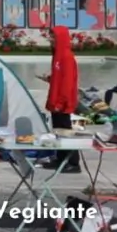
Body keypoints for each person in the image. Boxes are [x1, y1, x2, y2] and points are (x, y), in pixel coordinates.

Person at [37, 25, 80, 173]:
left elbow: (67, 83)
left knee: (65, 131)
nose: (50, 39)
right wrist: (51, 78)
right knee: (58, 131)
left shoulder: (66, 57)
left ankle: (73, 163)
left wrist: (61, 102)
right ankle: (61, 159)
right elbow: (60, 77)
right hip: (57, 101)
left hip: (62, 103)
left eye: (53, 36)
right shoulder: (58, 56)